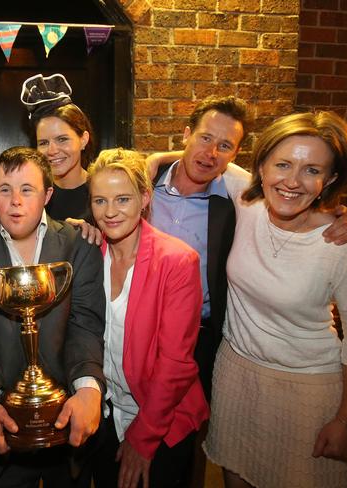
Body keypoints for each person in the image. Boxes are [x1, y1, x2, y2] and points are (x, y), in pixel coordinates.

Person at [147, 95, 347, 487]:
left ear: (329, 180)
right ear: (261, 167)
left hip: (307, 387)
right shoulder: (247, 200)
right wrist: (147, 161)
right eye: (283, 164)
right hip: (236, 376)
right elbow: (200, 155)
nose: (293, 180)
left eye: (312, 169)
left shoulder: (343, 241)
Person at [0, 146, 106, 487]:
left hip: (66, 425)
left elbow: (85, 325)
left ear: (48, 194)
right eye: (5, 190)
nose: (15, 201)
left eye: (27, 189)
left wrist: (89, 390)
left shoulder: (79, 246)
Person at [84, 148, 209, 488]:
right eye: (99, 201)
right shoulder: (89, 252)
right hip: (106, 414)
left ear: (144, 197)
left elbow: (176, 364)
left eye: (122, 199)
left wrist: (145, 435)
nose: (110, 213)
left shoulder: (177, 262)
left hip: (160, 418)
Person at [21, 73, 96, 221]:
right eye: (43, 143)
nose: (52, 151)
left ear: (83, 139)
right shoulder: (31, 193)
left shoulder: (102, 190)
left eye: (62, 139)